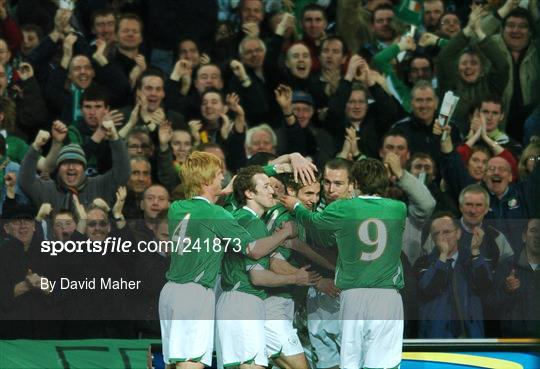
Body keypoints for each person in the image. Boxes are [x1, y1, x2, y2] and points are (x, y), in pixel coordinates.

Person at [160, 151, 298, 369]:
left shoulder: (176, 208)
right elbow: (253, 250)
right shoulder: (218, 215)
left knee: (174, 363)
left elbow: (222, 190)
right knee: (191, 363)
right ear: (206, 181)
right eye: (217, 175)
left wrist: (220, 193)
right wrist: (284, 233)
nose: (222, 178)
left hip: (170, 293)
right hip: (195, 294)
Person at [282, 158, 406, 369]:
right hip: (387, 295)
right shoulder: (399, 208)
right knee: (384, 362)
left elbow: (314, 223)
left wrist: (296, 206)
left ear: (355, 183)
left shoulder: (343, 208)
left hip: (352, 295)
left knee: (350, 361)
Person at [216, 165, 317, 369]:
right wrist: (296, 277)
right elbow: (258, 277)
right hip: (243, 301)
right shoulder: (252, 223)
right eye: (266, 187)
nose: (272, 191)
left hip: (234, 302)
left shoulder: (239, 217)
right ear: (249, 193)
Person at [19, 119, 130, 212]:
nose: (71, 167)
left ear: (84, 168)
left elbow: (122, 173)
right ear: (58, 168)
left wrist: (115, 139)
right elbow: (25, 181)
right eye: (66, 163)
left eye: (77, 163)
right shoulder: (47, 190)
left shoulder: (99, 185)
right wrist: (36, 147)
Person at [415, 212, 493, 338]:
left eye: (446, 232)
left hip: (471, 337)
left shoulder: (473, 259)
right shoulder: (423, 263)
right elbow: (429, 289)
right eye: (436, 233)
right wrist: (443, 257)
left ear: (458, 233)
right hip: (436, 339)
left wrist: (475, 252)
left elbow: (485, 285)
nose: (442, 238)